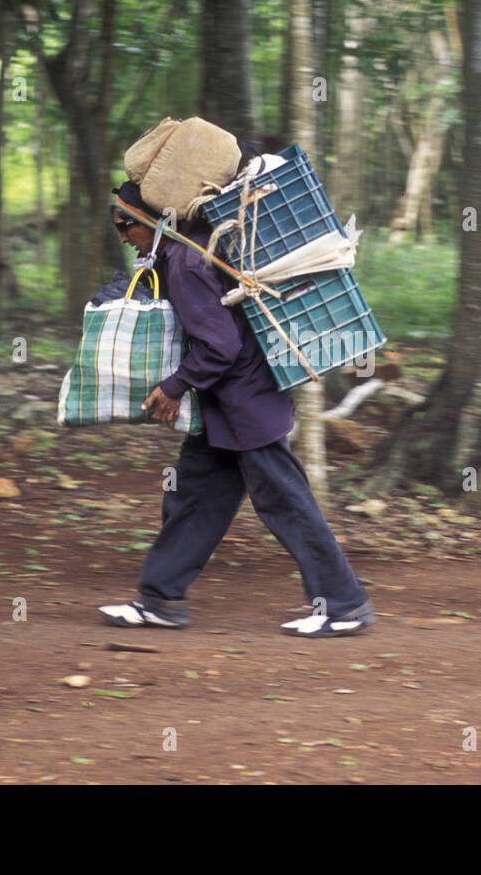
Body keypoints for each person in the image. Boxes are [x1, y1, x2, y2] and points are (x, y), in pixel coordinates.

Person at [97, 180, 374, 637]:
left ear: (156, 220)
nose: (124, 235)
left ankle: (344, 606)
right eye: (118, 227)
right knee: (193, 499)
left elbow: (220, 346)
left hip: (246, 405)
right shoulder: (192, 248)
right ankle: (161, 600)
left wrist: (173, 387)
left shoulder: (186, 260)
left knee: (285, 502)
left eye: (126, 224)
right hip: (228, 407)